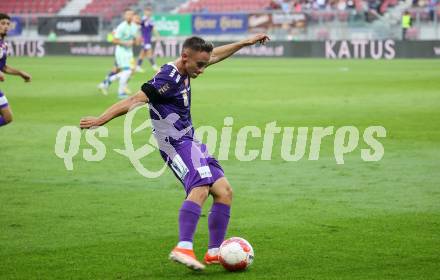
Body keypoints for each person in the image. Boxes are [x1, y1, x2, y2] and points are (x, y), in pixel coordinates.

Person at [80, 34, 270, 270]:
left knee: (224, 191)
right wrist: (101, 119)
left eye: (204, 64)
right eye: (200, 65)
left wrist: (245, 42)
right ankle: (183, 247)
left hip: (190, 140)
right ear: (185, 57)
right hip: (175, 144)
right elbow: (133, 100)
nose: (203, 69)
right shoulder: (166, 80)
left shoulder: (190, 65)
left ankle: (213, 252)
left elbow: (215, 55)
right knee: (200, 186)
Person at [98, 9, 138, 99]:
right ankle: (121, 92)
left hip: (129, 52)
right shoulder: (121, 27)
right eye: (127, 14)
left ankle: (106, 82)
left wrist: (135, 41)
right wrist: (125, 43)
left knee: (130, 71)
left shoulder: (134, 27)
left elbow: (136, 41)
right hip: (121, 51)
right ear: (124, 16)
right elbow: (114, 40)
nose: (129, 16)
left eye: (131, 15)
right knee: (127, 71)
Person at [0, 13, 31, 127]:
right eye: (3, 23)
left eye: (8, 24)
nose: (6, 26)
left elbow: (3, 67)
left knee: (7, 118)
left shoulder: (3, 45)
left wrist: (20, 73)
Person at [135, 6, 160, 73]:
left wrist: (157, 35)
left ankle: (138, 66)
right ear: (145, 12)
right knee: (148, 52)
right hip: (144, 39)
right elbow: (138, 27)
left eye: (150, 11)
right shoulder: (143, 19)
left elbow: (153, 28)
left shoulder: (150, 20)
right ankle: (154, 66)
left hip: (148, 39)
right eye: (147, 11)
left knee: (143, 53)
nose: (149, 12)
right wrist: (138, 37)